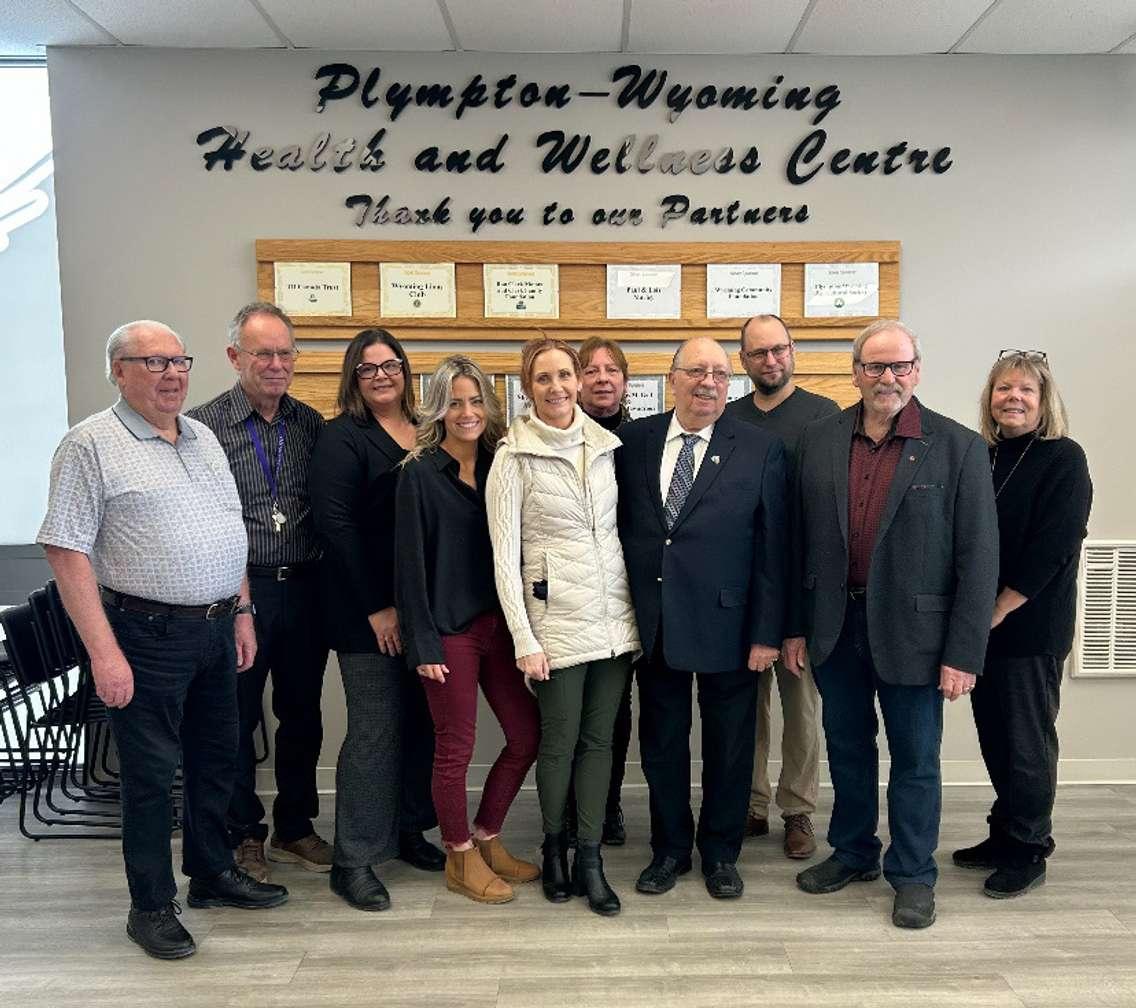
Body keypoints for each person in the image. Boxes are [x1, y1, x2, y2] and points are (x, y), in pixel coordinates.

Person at [37, 320, 287, 960]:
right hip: (142, 635)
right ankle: (150, 905)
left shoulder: (202, 437)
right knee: (150, 777)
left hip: (214, 628)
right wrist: (104, 653)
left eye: (179, 360)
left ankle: (210, 873)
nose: (172, 373)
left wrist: (242, 612)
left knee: (218, 759)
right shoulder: (89, 444)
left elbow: (230, 531)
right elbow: (66, 550)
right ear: (118, 372)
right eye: (153, 362)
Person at [787, 319, 998, 929]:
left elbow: (979, 558)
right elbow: (803, 543)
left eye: (899, 366)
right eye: (875, 367)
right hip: (835, 627)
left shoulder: (956, 447)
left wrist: (965, 651)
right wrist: (798, 626)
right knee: (847, 750)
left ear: (917, 371)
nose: (887, 377)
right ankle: (854, 852)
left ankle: (912, 874)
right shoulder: (821, 439)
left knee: (915, 760)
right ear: (855, 373)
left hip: (919, 638)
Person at [616, 336, 787, 901]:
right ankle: (668, 850)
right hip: (657, 623)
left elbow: (773, 549)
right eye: (696, 371)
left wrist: (766, 633)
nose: (708, 381)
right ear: (672, 378)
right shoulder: (632, 442)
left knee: (730, 747)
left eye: (719, 372)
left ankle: (719, 853)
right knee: (662, 743)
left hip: (732, 628)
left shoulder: (759, 448)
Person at [487, 337, 639, 916]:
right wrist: (524, 638)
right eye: (543, 378)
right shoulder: (513, 454)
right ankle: (554, 848)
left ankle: (591, 857)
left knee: (601, 743)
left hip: (613, 620)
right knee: (560, 742)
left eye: (564, 376)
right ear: (528, 388)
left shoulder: (607, 445)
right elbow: (505, 556)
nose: (557, 387)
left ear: (579, 382)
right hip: (554, 626)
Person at [188, 302, 330, 883]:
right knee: (237, 718)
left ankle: (296, 825)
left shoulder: (311, 424)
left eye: (284, 353)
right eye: (261, 353)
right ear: (234, 358)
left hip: (305, 589)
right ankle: (245, 834)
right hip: (237, 599)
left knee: (302, 715)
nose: (275, 364)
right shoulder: (203, 428)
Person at [395, 356, 541, 904]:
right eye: (455, 402)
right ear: (439, 408)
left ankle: (486, 836)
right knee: (455, 747)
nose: (467, 412)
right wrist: (422, 643)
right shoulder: (417, 473)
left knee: (527, 735)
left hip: (501, 626)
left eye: (476, 400)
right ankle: (458, 855)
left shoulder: (505, 463)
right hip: (447, 632)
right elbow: (407, 567)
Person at [308, 329, 443, 912]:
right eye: (368, 369)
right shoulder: (343, 438)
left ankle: (409, 830)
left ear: (407, 371)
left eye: (392, 365)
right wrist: (378, 607)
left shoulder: (428, 432)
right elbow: (336, 527)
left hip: (426, 609)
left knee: (422, 724)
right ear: (352, 378)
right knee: (375, 728)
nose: (383, 375)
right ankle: (354, 858)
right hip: (369, 612)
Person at [954, 350, 1091, 898]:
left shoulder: (1063, 458)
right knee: (995, 736)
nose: (1013, 398)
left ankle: (1029, 845)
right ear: (990, 398)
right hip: (979, 626)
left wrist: (1000, 607)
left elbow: (1055, 546)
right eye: (1003, 389)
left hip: (1029, 626)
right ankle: (1003, 832)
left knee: (1027, 741)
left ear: (1043, 400)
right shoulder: (982, 456)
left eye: (1025, 391)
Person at [726, 315, 839, 859]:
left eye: (779, 350)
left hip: (802, 589)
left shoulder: (823, 417)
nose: (770, 361)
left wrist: (802, 611)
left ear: (792, 351)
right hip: (742, 590)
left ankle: (798, 811)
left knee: (801, 706)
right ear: (742, 361)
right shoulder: (729, 418)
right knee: (748, 706)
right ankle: (751, 804)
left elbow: (826, 515)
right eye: (758, 354)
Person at [570, 336, 634, 846]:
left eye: (611, 369)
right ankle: (570, 809)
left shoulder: (640, 440)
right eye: (589, 370)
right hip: (568, 600)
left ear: (626, 382)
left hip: (625, 598)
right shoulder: (556, 437)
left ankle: (607, 804)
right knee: (567, 713)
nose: (602, 378)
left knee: (614, 712)